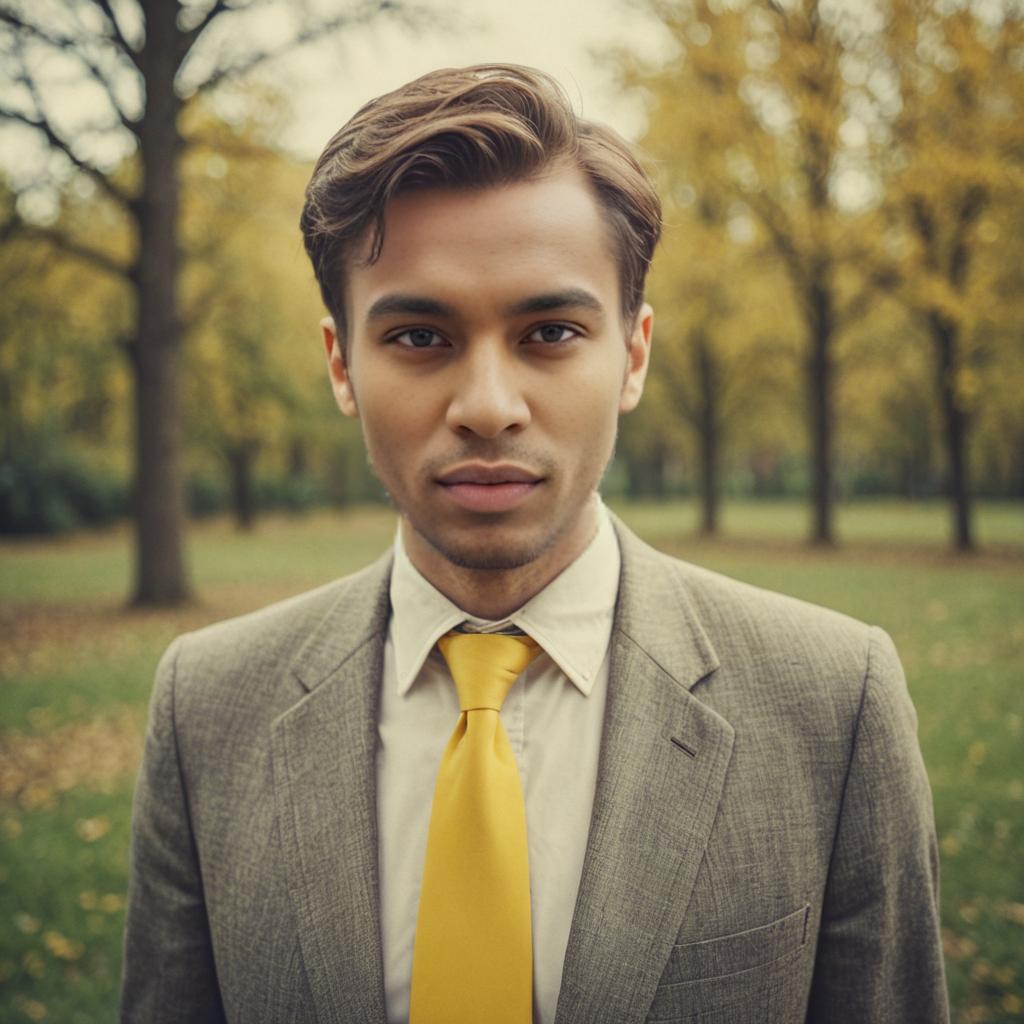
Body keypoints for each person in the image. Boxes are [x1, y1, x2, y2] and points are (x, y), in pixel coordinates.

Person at [121, 64, 949, 1024]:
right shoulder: (206, 711)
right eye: (421, 337)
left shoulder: (835, 704)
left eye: (550, 331)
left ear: (632, 356)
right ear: (342, 363)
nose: (487, 408)